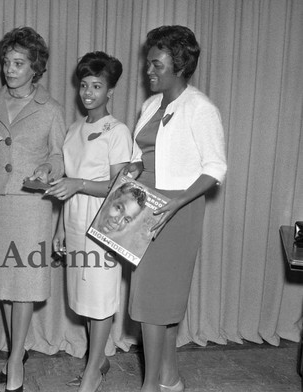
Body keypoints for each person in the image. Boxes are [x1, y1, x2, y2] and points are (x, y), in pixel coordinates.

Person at [124, 26, 227, 392]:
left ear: (180, 66)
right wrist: (132, 169)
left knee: (153, 304)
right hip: (145, 207)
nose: (148, 71)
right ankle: (169, 379)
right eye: (148, 63)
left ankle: (150, 386)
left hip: (177, 211)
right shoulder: (151, 105)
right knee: (154, 304)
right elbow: (141, 157)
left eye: (156, 64)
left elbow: (215, 168)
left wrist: (177, 201)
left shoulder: (201, 109)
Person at [0, 26, 66, 392]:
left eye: (18, 63)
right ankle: (18, 350)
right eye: (6, 62)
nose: (9, 69)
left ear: (35, 67)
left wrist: (49, 168)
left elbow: (59, 156)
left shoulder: (51, 109)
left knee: (24, 281)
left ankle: (14, 361)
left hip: (31, 204)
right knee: (4, 284)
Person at [46, 51, 132, 392]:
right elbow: (66, 183)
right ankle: (98, 360)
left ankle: (93, 369)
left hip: (106, 224)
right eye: (84, 85)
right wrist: (60, 227)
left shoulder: (117, 131)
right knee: (82, 297)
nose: (88, 93)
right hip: (75, 220)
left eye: (96, 86)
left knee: (100, 299)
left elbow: (121, 187)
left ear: (110, 90)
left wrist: (78, 184)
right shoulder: (74, 129)